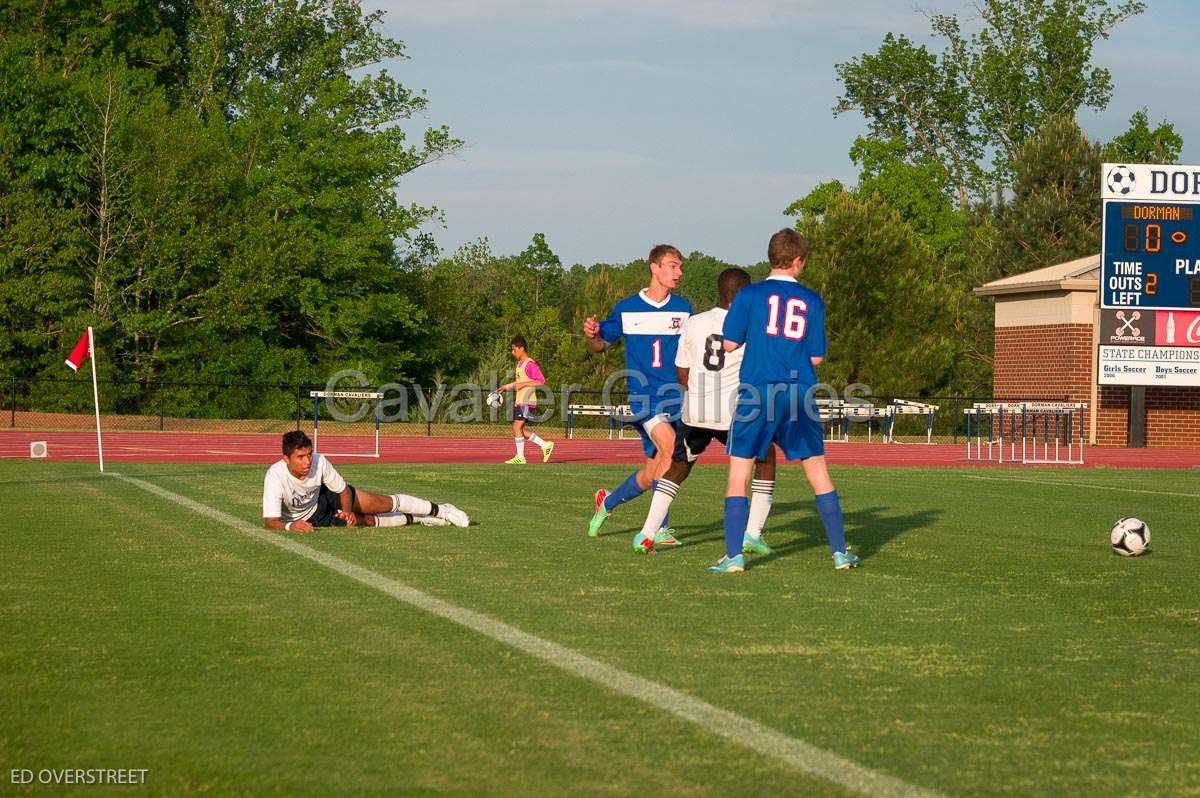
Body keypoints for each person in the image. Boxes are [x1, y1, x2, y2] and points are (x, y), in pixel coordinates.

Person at [710, 228, 860, 573]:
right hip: (798, 391)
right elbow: (817, 358)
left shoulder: (749, 295)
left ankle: (734, 557)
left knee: (738, 473)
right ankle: (839, 553)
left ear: (771, 258)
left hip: (757, 391)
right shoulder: (812, 300)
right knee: (817, 472)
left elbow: (730, 344)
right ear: (797, 261)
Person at [631, 268, 779, 554]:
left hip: (695, 411)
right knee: (767, 459)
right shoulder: (752, 326)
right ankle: (752, 534)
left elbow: (682, 371)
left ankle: (646, 533)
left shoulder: (694, 322)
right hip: (734, 413)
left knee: (678, 468)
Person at [582, 244, 692, 546]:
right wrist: (592, 335)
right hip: (643, 398)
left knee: (653, 471)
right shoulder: (627, 307)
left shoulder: (684, 309)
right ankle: (656, 529)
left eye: (680, 266)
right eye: (672, 265)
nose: (678, 272)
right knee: (671, 450)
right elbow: (601, 344)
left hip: (676, 399)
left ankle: (607, 502)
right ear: (654, 267)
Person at [262, 431, 469, 531]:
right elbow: (270, 522)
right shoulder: (275, 477)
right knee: (367, 522)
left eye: (309, 454)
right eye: (300, 457)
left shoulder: (319, 461)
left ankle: (441, 510)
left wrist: (348, 511)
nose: (308, 461)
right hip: (311, 517)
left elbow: (342, 490)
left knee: (380, 505)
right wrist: (291, 526)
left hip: (327, 497)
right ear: (286, 459)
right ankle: (418, 518)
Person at [498, 335, 554, 464]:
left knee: (516, 426)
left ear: (521, 348)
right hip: (520, 401)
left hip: (527, 401)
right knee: (520, 430)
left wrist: (523, 385)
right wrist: (506, 387)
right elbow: (519, 382)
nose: (513, 352)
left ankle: (520, 457)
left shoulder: (530, 364)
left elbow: (541, 381)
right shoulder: (519, 364)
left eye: (514, 349)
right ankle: (545, 445)